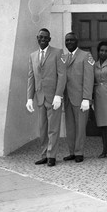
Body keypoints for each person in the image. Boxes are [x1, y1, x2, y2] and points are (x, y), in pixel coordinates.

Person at [26, 28, 66, 167]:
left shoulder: (58, 53)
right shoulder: (33, 56)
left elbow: (62, 75)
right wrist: (29, 98)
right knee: (42, 129)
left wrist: (58, 95)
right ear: (37, 38)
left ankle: (51, 156)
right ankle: (44, 154)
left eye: (45, 38)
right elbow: (31, 77)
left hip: (53, 97)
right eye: (40, 37)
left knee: (53, 128)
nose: (42, 40)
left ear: (49, 39)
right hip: (40, 97)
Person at [63, 32, 95, 163]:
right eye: (67, 40)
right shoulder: (63, 57)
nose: (69, 42)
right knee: (70, 127)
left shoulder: (86, 55)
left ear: (77, 41)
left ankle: (79, 152)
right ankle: (72, 152)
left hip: (81, 98)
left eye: (71, 40)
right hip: (67, 98)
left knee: (80, 127)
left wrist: (87, 98)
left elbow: (89, 78)